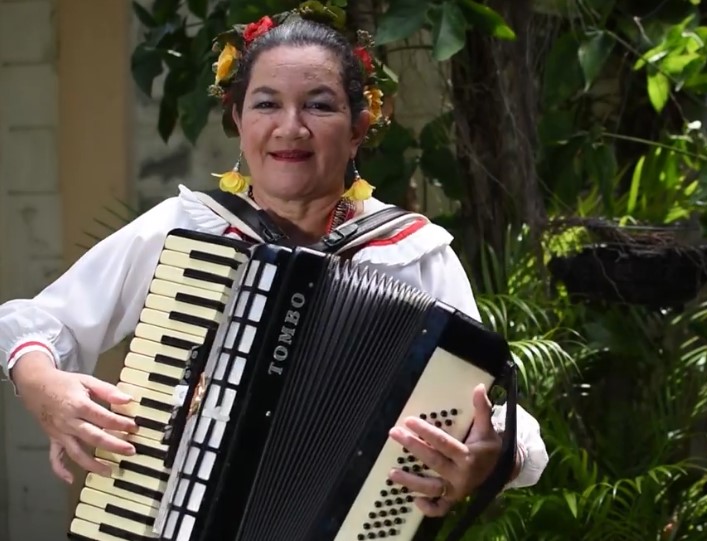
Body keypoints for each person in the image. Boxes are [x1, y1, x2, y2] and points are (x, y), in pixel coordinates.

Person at [0, 8, 548, 519]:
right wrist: (45, 386)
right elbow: (39, 325)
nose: (291, 127)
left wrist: (487, 457)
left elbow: (494, 417)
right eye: (266, 103)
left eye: (319, 104)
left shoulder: (414, 252)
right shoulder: (185, 229)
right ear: (238, 119)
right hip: (171, 519)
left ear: (358, 126)